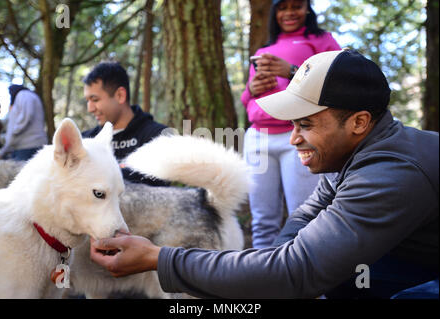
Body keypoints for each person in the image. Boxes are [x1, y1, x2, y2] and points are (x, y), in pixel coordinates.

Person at [90, 49, 438, 299]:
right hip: (414, 258)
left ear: (359, 122)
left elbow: (297, 270)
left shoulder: (392, 173)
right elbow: (302, 225)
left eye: (306, 124)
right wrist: (268, 272)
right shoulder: (353, 156)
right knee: (340, 275)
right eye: (292, 124)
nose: (294, 138)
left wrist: (158, 258)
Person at [242, 0, 341, 248]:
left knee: (305, 214)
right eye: (282, 8)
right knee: (262, 218)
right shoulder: (267, 48)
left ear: (307, 8)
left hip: (298, 135)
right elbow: (248, 101)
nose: (289, 13)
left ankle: (307, 278)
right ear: (275, 13)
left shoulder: (320, 40)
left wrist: (292, 71)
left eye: (296, 6)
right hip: (258, 137)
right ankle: (260, 274)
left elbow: (339, 80)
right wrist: (249, 89)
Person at [81, 61, 168, 185]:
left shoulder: (157, 137)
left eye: (95, 99)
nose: (90, 108)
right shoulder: (85, 141)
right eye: (87, 101)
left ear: (120, 95)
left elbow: (157, 184)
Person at [0, 85, 48, 161]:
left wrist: (13, 134)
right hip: (25, 147)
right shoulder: (24, 98)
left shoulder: (23, 94)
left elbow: (25, 117)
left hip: (29, 147)